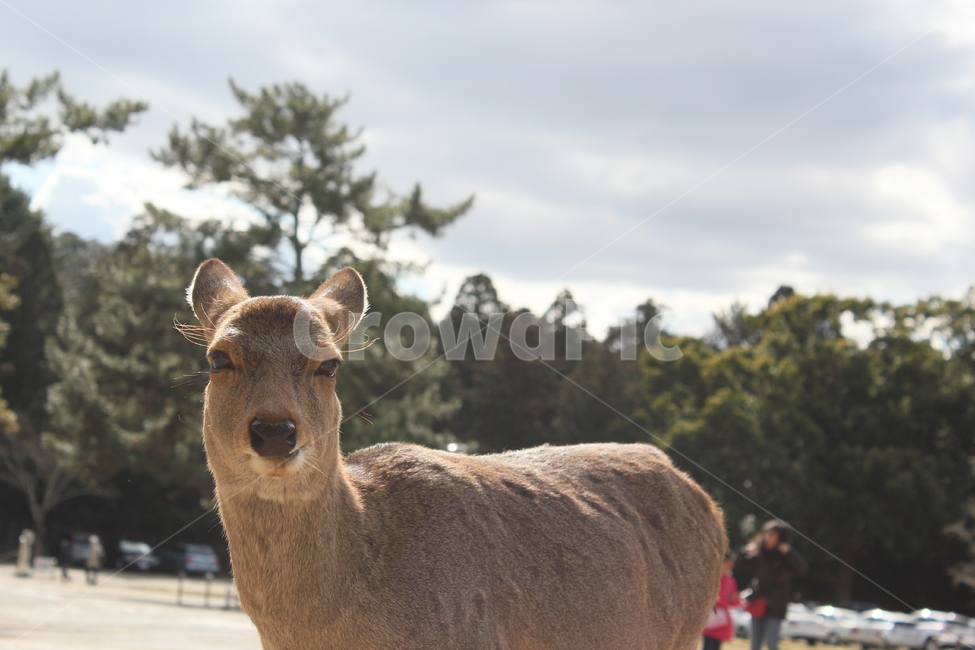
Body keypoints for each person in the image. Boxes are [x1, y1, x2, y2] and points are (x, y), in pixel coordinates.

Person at [736, 520, 807, 650]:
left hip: (777, 605)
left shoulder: (786, 556)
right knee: (755, 644)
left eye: (773, 535)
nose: (768, 538)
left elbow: (801, 569)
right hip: (758, 601)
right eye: (766, 534)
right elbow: (739, 566)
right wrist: (746, 551)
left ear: (780, 538)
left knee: (771, 643)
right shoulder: (760, 554)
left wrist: (789, 552)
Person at [702, 549, 740, 650]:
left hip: (721, 620)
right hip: (710, 618)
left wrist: (734, 599)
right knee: (708, 645)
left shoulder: (730, 580)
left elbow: (734, 601)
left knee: (715, 646)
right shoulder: (713, 579)